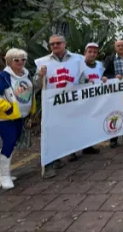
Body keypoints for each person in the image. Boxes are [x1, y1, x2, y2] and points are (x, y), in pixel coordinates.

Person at [34, 34, 86, 178]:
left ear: (65, 44)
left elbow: (83, 79)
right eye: (52, 44)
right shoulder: (42, 63)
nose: (55, 46)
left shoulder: (78, 59)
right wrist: (39, 76)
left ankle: (65, 154)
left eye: (58, 43)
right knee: (50, 132)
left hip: (72, 102)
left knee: (69, 128)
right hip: (52, 103)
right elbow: (35, 85)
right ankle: (49, 163)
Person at [0, 48, 35, 190]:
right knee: (9, 142)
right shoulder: (3, 77)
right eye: (16, 60)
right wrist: (7, 107)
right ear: (9, 61)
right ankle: (4, 176)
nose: (20, 62)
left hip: (21, 116)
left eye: (23, 60)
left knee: (11, 143)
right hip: (6, 117)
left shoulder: (27, 75)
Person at [69, 43, 103, 158]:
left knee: (88, 124)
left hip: (93, 101)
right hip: (79, 100)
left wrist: (103, 79)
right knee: (75, 126)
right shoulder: (77, 65)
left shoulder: (99, 65)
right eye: (90, 52)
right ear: (85, 53)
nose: (92, 54)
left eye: (95, 52)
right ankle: (71, 151)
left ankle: (87, 147)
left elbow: (100, 79)